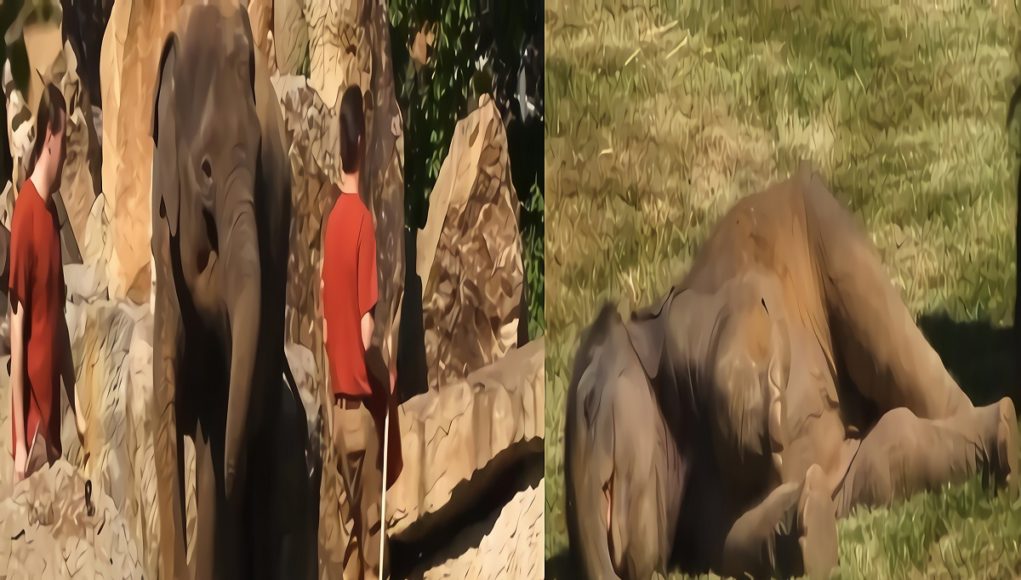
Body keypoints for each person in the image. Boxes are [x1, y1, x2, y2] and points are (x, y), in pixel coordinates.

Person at [321, 84, 401, 580]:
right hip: (363, 416)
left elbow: (330, 323)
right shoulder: (363, 223)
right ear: (363, 145)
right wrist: (384, 371)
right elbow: (366, 331)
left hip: (334, 413)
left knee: (343, 542)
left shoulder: (331, 222)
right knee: (371, 542)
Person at [9, 82, 81, 482]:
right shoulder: (25, 215)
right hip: (32, 439)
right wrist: (20, 443)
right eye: (66, 140)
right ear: (51, 136)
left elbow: (57, 320)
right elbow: (17, 330)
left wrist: (79, 409)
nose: (69, 151)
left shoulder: (52, 213)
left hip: (51, 430)